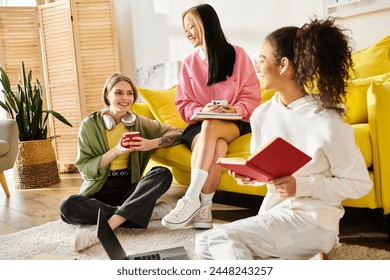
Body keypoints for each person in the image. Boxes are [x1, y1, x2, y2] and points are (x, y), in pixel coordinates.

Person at [195, 18, 373, 260]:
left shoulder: (328, 121)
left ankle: (306, 256)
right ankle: (306, 262)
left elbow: (360, 184)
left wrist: (301, 186)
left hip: (314, 222)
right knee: (203, 243)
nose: (257, 67)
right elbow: (269, 176)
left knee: (220, 239)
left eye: (261, 60)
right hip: (274, 213)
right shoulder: (262, 115)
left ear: (284, 66)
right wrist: (251, 176)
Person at [162, 4, 261, 230]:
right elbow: (183, 103)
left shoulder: (237, 54)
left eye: (192, 27)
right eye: (185, 28)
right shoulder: (188, 63)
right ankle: (204, 207)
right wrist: (202, 109)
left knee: (213, 126)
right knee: (217, 146)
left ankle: (189, 197)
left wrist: (233, 110)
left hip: (234, 122)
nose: (187, 33)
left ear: (207, 24)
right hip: (200, 125)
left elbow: (252, 94)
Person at [59, 73, 183, 251]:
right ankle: (139, 212)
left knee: (162, 174)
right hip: (99, 190)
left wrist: (151, 143)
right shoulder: (90, 125)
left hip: (128, 187)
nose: (125, 98)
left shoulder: (138, 122)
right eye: (119, 93)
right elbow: (86, 169)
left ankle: (107, 226)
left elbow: (177, 132)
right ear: (107, 94)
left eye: (130, 93)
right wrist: (117, 151)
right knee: (67, 207)